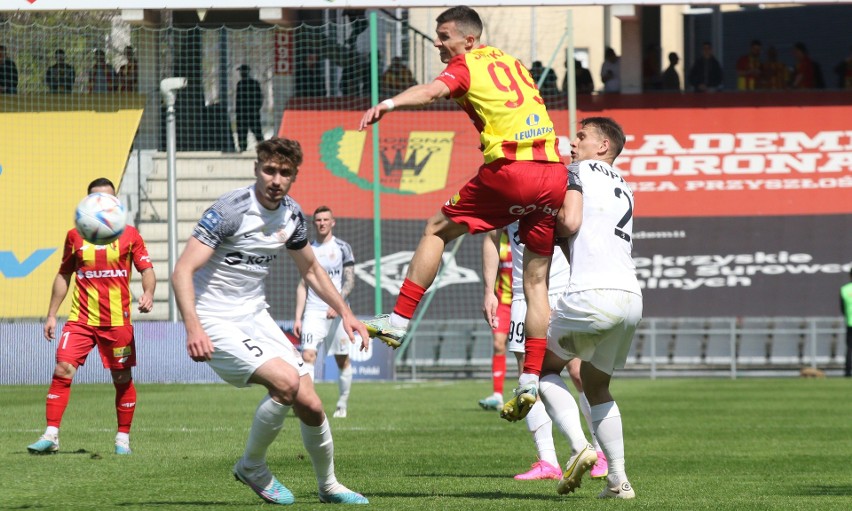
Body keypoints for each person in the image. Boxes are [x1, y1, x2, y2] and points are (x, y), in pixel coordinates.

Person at [358, 6, 572, 423]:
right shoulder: (512, 63)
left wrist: (390, 102)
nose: (438, 42)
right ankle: (530, 378)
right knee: (536, 281)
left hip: (512, 170)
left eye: (443, 35)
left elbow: (433, 92)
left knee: (436, 229)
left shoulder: (466, 64)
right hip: (553, 176)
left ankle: (398, 320)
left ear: (468, 40)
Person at [171, 137, 369, 505]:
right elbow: (182, 270)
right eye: (269, 170)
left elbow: (310, 267)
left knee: (310, 403)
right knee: (286, 382)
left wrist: (346, 312)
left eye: (285, 173)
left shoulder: (292, 214)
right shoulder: (231, 210)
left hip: (255, 316)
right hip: (215, 319)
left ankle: (328, 486)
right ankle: (252, 466)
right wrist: (193, 327)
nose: (276, 179)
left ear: (294, 176)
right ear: (257, 169)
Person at [537, 117, 642, 499]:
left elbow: (570, 221)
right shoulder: (624, 184)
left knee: (542, 369)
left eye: (581, 136)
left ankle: (581, 447)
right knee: (598, 385)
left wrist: (540, 217)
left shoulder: (575, 171)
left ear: (603, 146)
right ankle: (619, 480)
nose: (572, 141)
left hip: (590, 291)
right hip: (630, 296)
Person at [27, 178, 156, 456]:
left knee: (122, 378)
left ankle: (122, 440)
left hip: (117, 323)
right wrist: (51, 314)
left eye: (107, 200)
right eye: (95, 199)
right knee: (63, 369)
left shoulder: (130, 235)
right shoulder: (75, 236)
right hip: (81, 320)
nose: (101, 205)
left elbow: (147, 269)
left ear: (116, 203)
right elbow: (64, 274)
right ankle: (51, 435)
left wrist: (148, 293)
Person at [483, 221, 608, 482]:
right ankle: (548, 461)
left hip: (564, 292)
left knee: (578, 371)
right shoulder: (503, 193)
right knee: (529, 379)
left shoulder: (557, 184)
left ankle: (600, 451)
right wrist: (489, 290)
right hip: (523, 295)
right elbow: (491, 239)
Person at [293, 206, 357, 418]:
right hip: (313, 311)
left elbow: (349, 281)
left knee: (342, 360)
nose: (321, 223)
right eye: (318, 220)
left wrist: (337, 304)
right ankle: (308, 405)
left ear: (333, 222)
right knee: (308, 355)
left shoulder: (342, 248)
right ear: (314, 224)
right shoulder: (308, 250)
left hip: (338, 312)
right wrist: (298, 316)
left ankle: (342, 404)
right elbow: (303, 285)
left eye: (325, 219)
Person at [477, 229, 513, 412]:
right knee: (499, 344)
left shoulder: (523, 238)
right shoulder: (499, 240)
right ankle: (497, 395)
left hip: (526, 300)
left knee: (527, 349)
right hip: (504, 302)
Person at [235, 65, 265, 152]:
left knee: (245, 132)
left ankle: (244, 149)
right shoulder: (251, 83)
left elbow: (239, 101)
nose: (241, 73)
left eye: (242, 71)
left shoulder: (242, 84)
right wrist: (256, 109)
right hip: (250, 113)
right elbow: (260, 98)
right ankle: (262, 149)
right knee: (254, 132)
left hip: (245, 113)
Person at [841, 270, 852, 378]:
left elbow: (842, 308)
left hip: (850, 322)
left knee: (850, 348)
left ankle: (848, 372)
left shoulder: (844, 289)